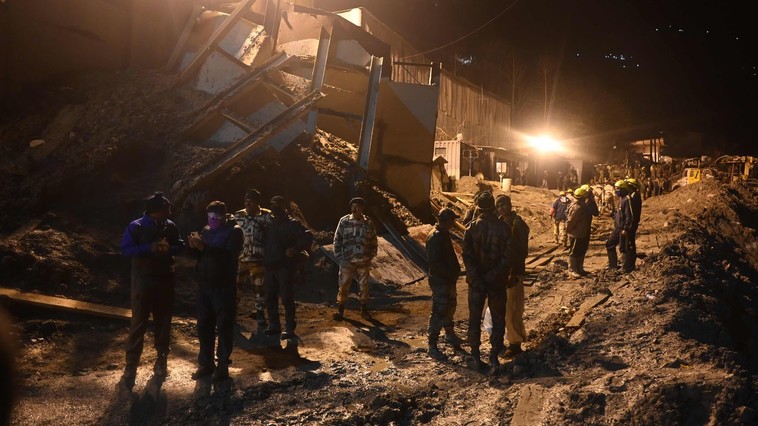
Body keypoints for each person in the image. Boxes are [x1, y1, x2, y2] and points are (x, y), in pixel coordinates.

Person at [120, 191, 185, 389]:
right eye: (167, 208)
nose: (170, 211)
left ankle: (161, 360)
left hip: (165, 279)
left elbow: (180, 245)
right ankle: (131, 366)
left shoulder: (170, 226)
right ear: (157, 210)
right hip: (143, 279)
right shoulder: (136, 227)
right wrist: (149, 247)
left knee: (164, 322)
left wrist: (169, 249)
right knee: (138, 322)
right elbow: (126, 250)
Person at [187, 201, 244, 381]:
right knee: (204, 325)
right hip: (205, 285)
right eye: (210, 217)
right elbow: (201, 256)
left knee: (224, 326)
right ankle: (206, 363)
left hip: (224, 286)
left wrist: (204, 247)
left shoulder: (235, 232)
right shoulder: (206, 230)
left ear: (224, 216)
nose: (213, 220)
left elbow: (228, 257)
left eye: (216, 217)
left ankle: (222, 365)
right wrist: (194, 247)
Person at [462, 190, 511, 369]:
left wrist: (477, 278)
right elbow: (507, 257)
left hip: (476, 283)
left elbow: (467, 257)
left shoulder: (470, 229)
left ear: (479, 208)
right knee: (498, 319)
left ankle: (475, 355)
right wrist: (493, 275)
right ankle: (494, 356)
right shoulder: (505, 228)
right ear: (493, 207)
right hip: (497, 282)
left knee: (474, 318)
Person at [263, 196, 313, 343]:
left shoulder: (293, 224)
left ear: (283, 206)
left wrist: (295, 249)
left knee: (286, 297)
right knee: (269, 297)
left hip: (284, 266)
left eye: (277, 205)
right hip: (269, 265)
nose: (274, 208)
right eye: (272, 205)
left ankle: (290, 327)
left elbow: (307, 236)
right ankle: (274, 325)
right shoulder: (268, 223)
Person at [425, 208, 463, 361]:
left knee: (450, 305)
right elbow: (435, 264)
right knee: (439, 311)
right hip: (441, 280)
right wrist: (448, 275)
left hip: (447, 279)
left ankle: (449, 334)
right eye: (452, 220)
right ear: (446, 221)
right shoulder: (435, 237)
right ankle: (432, 345)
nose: (453, 223)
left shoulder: (443, 234)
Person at [334, 197, 378, 320]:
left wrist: (371, 255)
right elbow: (337, 239)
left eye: (357, 207)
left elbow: (373, 240)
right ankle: (341, 309)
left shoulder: (368, 223)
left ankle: (364, 309)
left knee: (364, 286)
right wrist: (339, 256)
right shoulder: (344, 221)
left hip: (363, 260)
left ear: (362, 208)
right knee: (343, 285)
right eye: (353, 206)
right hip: (347, 260)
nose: (354, 209)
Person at [496, 195, 530, 358]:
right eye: (498, 206)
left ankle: (515, 343)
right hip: (501, 272)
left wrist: (512, 273)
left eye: (504, 205)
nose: (501, 208)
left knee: (513, 308)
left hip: (513, 273)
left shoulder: (518, 224)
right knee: (504, 309)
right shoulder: (499, 223)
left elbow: (521, 252)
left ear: (510, 205)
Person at [234, 189, 272, 330]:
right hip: (242, 258)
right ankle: (232, 312)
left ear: (257, 202)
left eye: (251, 201)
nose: (248, 204)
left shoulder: (267, 216)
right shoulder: (238, 215)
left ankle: (260, 314)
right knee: (236, 286)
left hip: (258, 259)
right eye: (246, 201)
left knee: (259, 288)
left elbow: (272, 235)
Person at [566, 187, 591, 279]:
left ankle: (579, 268)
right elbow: (571, 221)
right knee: (574, 252)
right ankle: (572, 270)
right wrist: (569, 231)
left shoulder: (583, 206)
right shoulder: (577, 207)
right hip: (576, 233)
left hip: (583, 232)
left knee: (581, 250)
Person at [623, 178, 643, 272]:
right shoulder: (634, 195)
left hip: (632, 223)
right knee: (629, 242)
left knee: (629, 243)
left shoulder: (634, 197)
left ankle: (629, 265)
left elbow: (631, 213)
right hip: (633, 222)